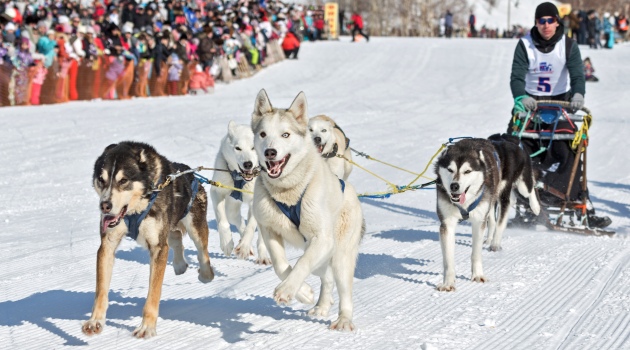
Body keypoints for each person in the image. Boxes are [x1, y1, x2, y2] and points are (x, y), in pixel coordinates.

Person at [508, 2, 611, 228]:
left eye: (550, 20)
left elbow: (577, 75)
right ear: (536, 23)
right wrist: (519, 98)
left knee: (570, 150)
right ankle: (522, 199)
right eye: (541, 21)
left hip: (560, 106)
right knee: (516, 149)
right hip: (529, 107)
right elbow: (516, 76)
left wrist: (578, 94)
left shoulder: (568, 45)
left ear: (557, 21)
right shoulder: (525, 45)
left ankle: (571, 196)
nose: (546, 25)